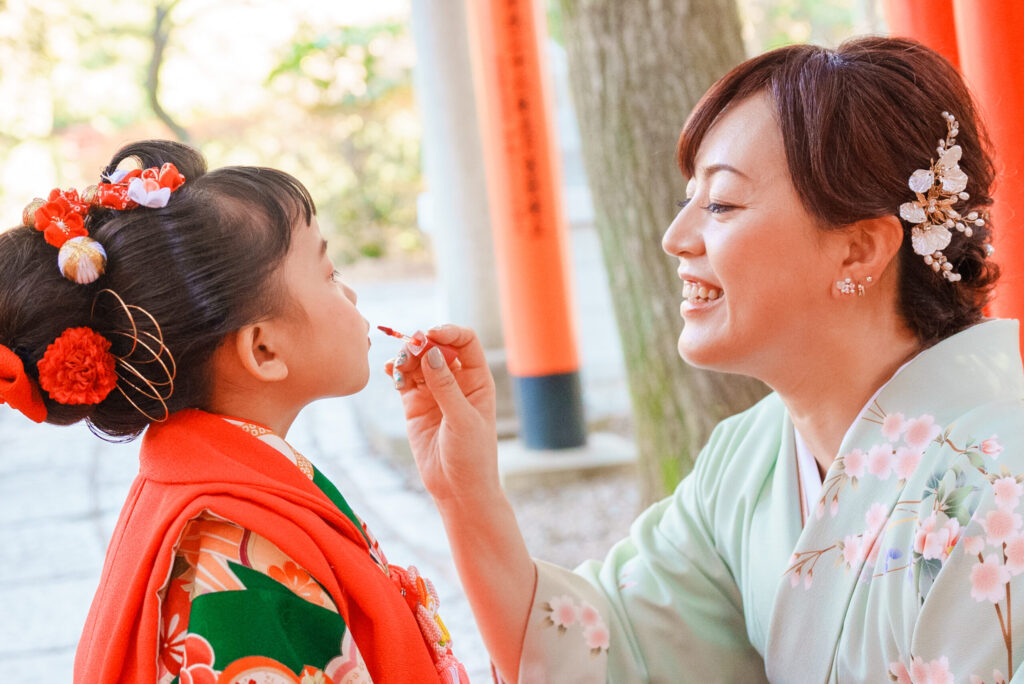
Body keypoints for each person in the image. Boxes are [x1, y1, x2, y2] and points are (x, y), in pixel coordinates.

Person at [387, 37, 1024, 683]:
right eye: (687, 200)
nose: (675, 238)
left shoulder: (1004, 485)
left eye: (720, 204)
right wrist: (466, 493)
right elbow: (608, 647)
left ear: (858, 250)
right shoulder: (749, 458)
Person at [0, 141, 470, 683]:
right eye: (329, 273)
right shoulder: (237, 566)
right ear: (263, 350)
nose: (352, 295)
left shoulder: (217, 491)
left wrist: (467, 490)